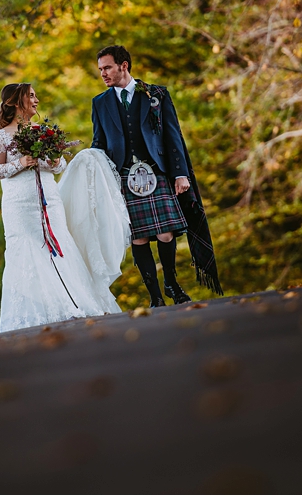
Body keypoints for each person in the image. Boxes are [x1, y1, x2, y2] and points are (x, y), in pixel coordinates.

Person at [91, 45, 222, 306]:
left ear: (123, 65)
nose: (103, 74)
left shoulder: (156, 94)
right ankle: (155, 297)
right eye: (100, 69)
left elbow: (172, 135)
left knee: (165, 233)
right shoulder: (100, 102)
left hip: (157, 171)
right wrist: (97, 176)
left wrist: (181, 174)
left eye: (107, 67)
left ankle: (172, 284)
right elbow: (99, 143)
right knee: (138, 237)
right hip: (124, 176)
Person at [0, 83, 122, 332]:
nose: (36, 100)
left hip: (49, 199)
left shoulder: (42, 131)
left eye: (36, 95)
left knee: (60, 244)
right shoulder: (2, 135)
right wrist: (20, 162)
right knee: (28, 248)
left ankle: (72, 303)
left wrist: (54, 160)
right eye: (31, 96)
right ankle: (39, 310)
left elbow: (57, 167)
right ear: (16, 102)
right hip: (20, 203)